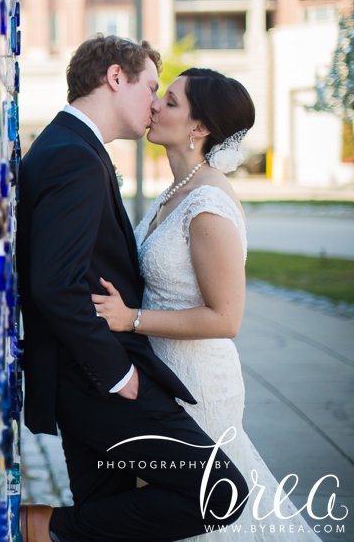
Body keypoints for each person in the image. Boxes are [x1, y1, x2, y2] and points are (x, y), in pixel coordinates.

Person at [16, 36, 248, 542]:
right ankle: (41, 526)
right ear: (116, 78)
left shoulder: (72, 149)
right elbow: (56, 284)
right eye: (151, 87)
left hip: (96, 375)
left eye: (166, 97)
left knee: (112, 514)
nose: (154, 103)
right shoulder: (73, 156)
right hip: (98, 379)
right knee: (221, 491)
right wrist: (117, 371)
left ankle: (50, 529)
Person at [92, 68, 322, 541]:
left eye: (170, 102)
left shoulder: (209, 204)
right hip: (164, 378)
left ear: (200, 128)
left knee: (203, 512)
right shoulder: (178, 189)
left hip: (198, 385)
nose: (155, 105)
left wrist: (130, 320)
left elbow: (226, 317)